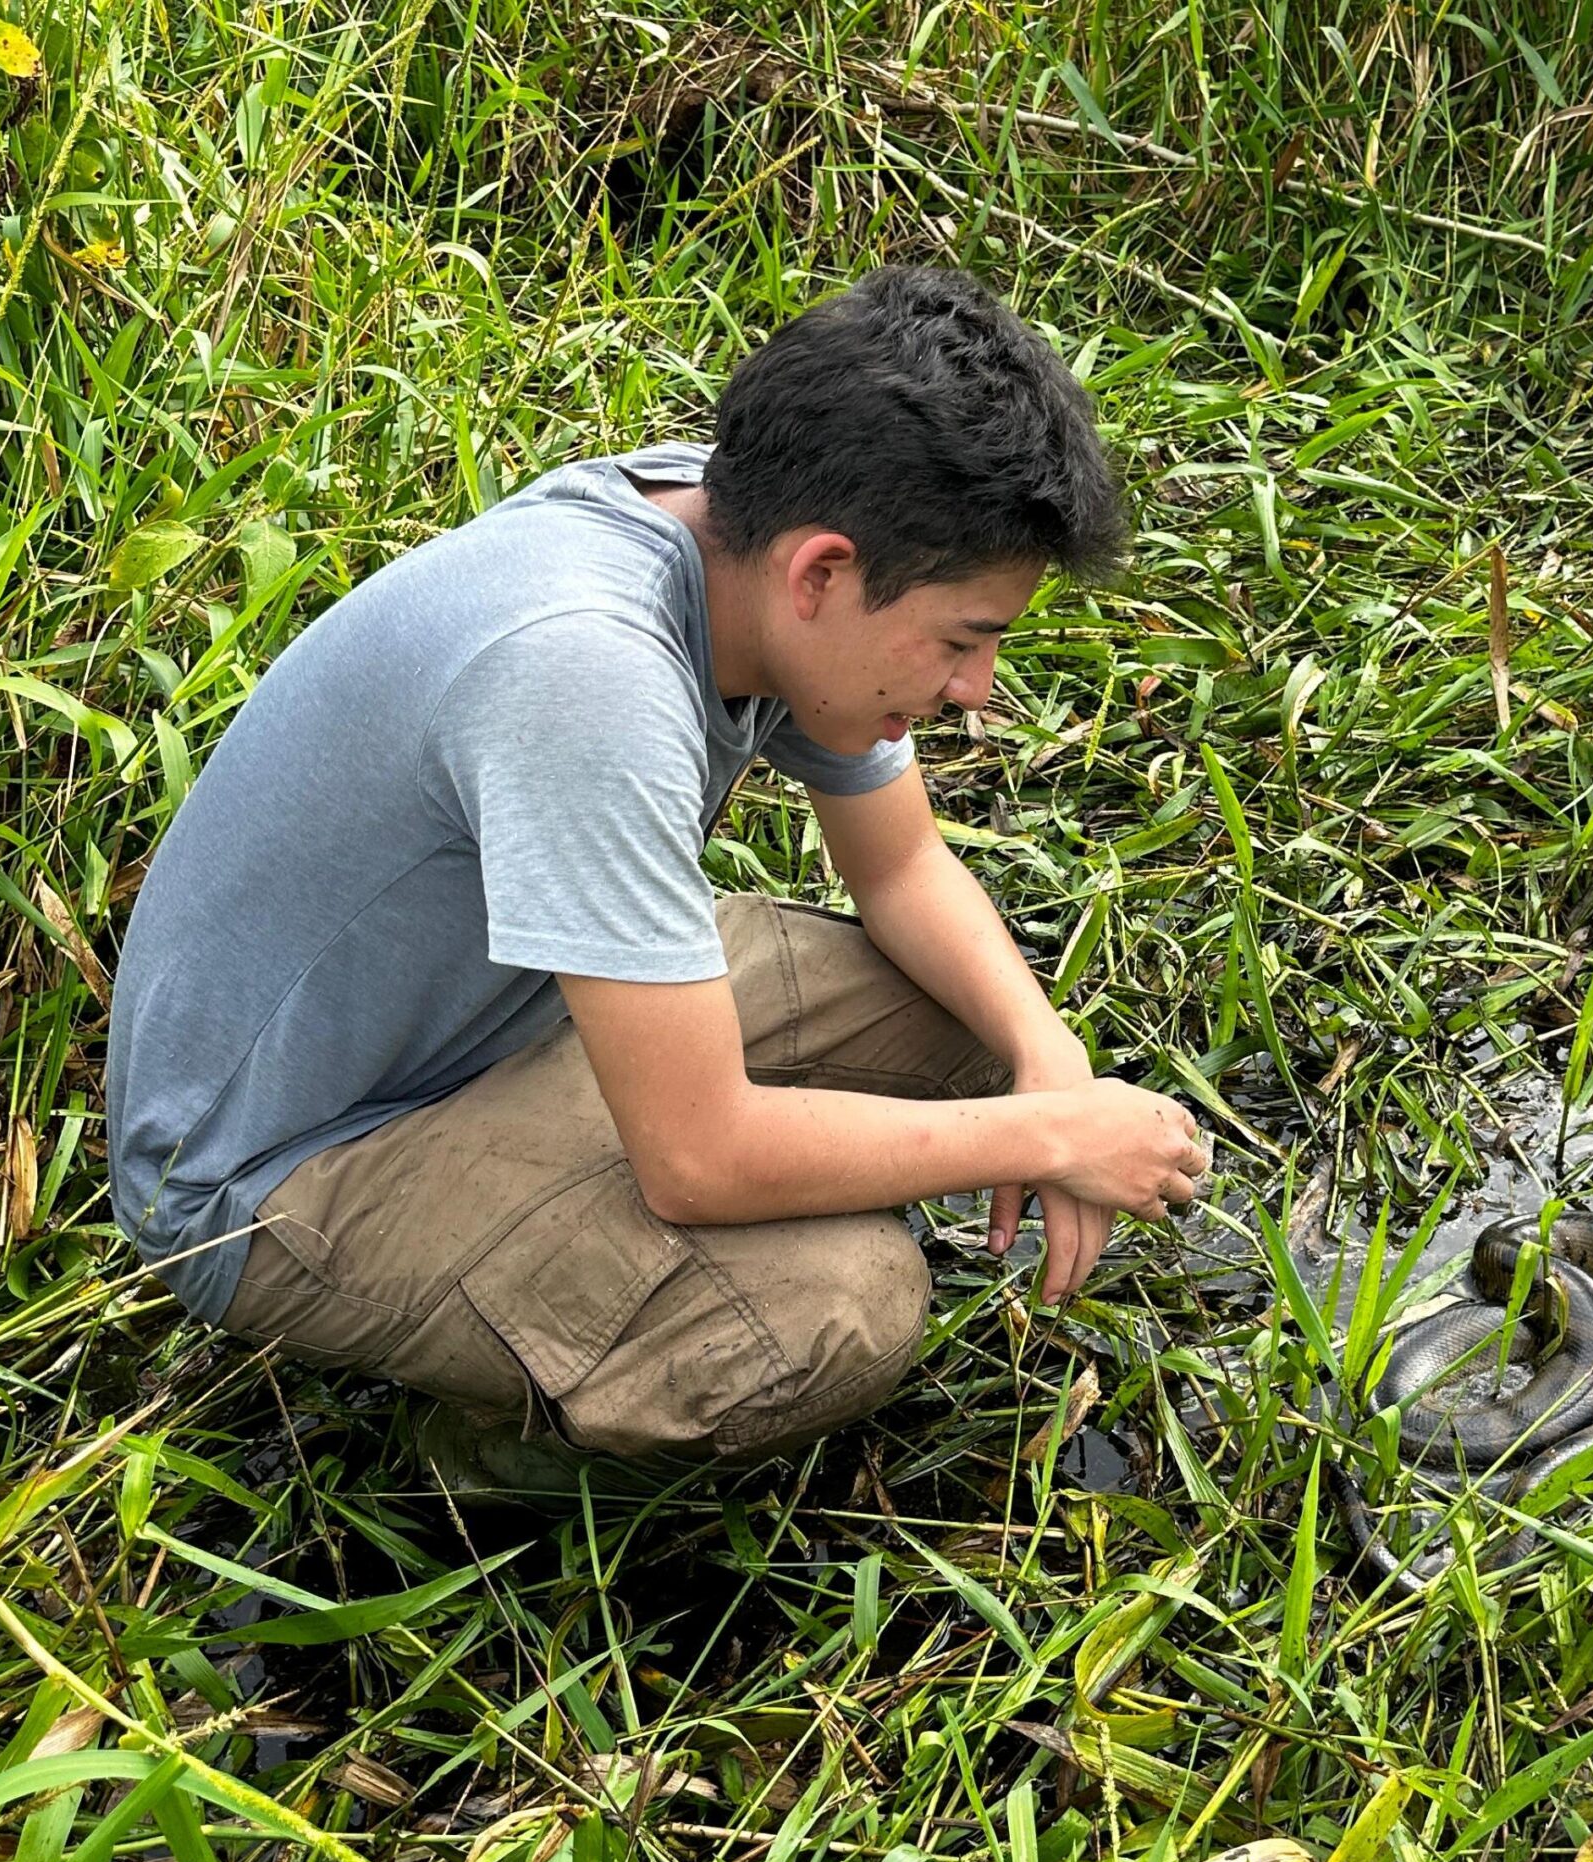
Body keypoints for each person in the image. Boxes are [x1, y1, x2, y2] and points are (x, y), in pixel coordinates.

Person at [105, 264, 1210, 1491]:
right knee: (839, 1305)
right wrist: (1051, 1128)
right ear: (821, 575)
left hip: (497, 998)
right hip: (276, 1162)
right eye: (960, 642)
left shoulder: (744, 523)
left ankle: (588, 1217)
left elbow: (899, 863)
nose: (973, 692)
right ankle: (461, 1468)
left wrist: (1044, 1059)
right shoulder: (587, 673)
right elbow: (700, 1157)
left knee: (963, 1013)